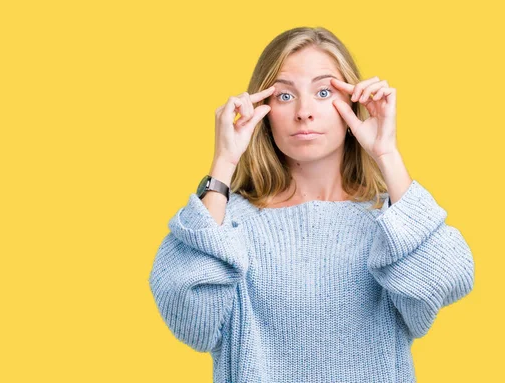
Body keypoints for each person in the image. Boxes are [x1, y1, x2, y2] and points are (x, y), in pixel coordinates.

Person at [148, 26, 475, 383]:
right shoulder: (228, 224)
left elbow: (446, 280)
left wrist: (387, 154)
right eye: (285, 96)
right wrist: (224, 162)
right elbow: (192, 320)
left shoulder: (391, 220)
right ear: (264, 109)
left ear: (352, 104)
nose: (304, 112)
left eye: (323, 92)